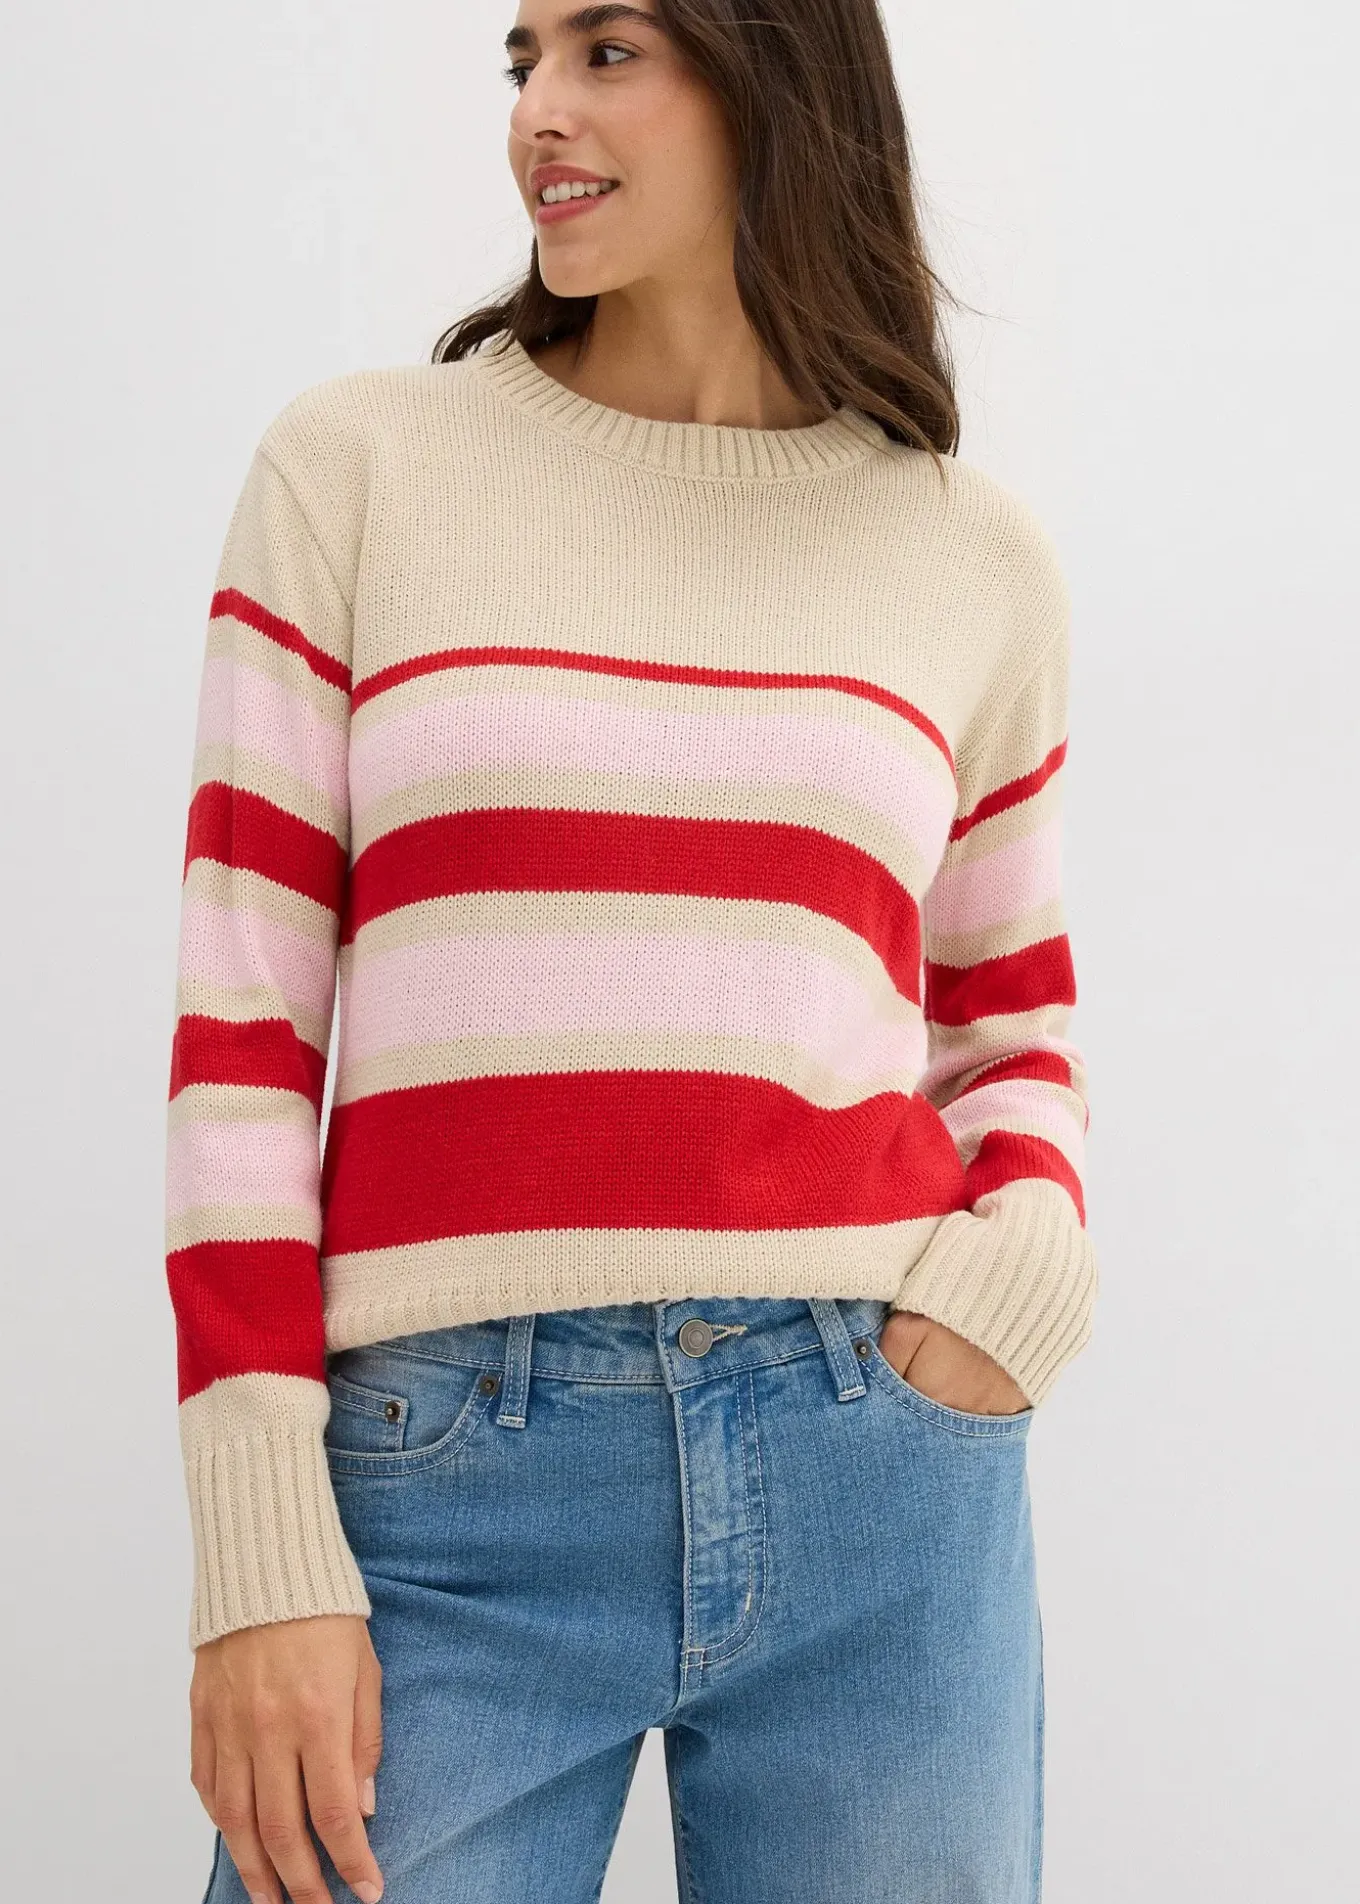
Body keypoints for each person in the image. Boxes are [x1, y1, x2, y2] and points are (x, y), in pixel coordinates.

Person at [166, 3, 1098, 1899]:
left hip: (878, 1458)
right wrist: (260, 1555)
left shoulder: (966, 553)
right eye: (521, 61)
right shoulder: (359, 470)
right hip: (443, 1480)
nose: (539, 113)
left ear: (777, 72)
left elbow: (1009, 1017)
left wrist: (1022, 1286)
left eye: (609, 51)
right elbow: (242, 1032)